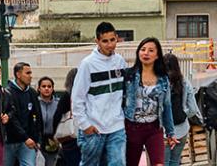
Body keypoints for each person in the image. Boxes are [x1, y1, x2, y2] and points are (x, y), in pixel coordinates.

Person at [72, 21, 127, 166]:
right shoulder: (87, 64)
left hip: (117, 126)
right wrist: (85, 125)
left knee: (118, 163)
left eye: (112, 40)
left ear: (117, 38)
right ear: (97, 41)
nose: (109, 45)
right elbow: (77, 98)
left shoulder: (121, 62)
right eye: (105, 41)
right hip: (94, 128)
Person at [123, 37, 176, 166]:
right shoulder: (128, 75)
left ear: (157, 55)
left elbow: (167, 106)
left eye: (151, 50)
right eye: (143, 49)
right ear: (138, 52)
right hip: (131, 128)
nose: (146, 53)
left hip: (154, 128)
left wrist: (170, 132)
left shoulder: (163, 79)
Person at [163, 53, 202, 166]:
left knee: (163, 162)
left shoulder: (160, 84)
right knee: (175, 161)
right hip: (182, 130)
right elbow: (194, 109)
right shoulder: (185, 82)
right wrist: (184, 114)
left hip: (164, 133)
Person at [4, 62, 43, 166]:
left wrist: (38, 139)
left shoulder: (32, 93)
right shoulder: (7, 93)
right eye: (28, 73)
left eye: (31, 73)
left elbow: (37, 116)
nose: (31, 76)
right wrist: (25, 137)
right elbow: (12, 120)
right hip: (10, 141)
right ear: (18, 74)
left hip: (28, 142)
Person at [53, 68, 80, 166]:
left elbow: (57, 115)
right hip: (87, 135)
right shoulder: (87, 95)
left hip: (70, 138)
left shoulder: (67, 96)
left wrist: (54, 133)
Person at [38, 76, 60, 166]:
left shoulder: (58, 103)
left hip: (53, 140)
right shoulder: (35, 103)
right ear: (39, 88)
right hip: (37, 139)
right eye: (43, 86)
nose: (46, 89)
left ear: (53, 88)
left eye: (49, 86)